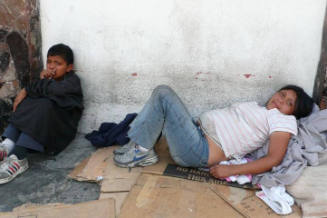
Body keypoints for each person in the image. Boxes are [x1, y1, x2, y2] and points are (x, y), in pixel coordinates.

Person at [113, 84, 314, 179]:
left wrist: (231, 170)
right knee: (161, 99)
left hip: (200, 150)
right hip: (196, 132)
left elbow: (273, 159)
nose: (280, 100)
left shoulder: (284, 120)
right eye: (282, 94)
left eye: (289, 103)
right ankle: (140, 145)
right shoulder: (260, 108)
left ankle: (141, 151)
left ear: (294, 112)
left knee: (163, 94)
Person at [0, 43, 83, 184]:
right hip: (46, 127)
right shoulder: (48, 81)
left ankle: (18, 157)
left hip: (61, 132)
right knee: (27, 100)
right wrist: (34, 87)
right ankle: (7, 146)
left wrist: (27, 89)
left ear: (69, 67)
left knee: (44, 104)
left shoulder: (72, 82)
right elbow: (42, 89)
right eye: (49, 62)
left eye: (58, 63)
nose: (51, 67)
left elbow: (55, 91)